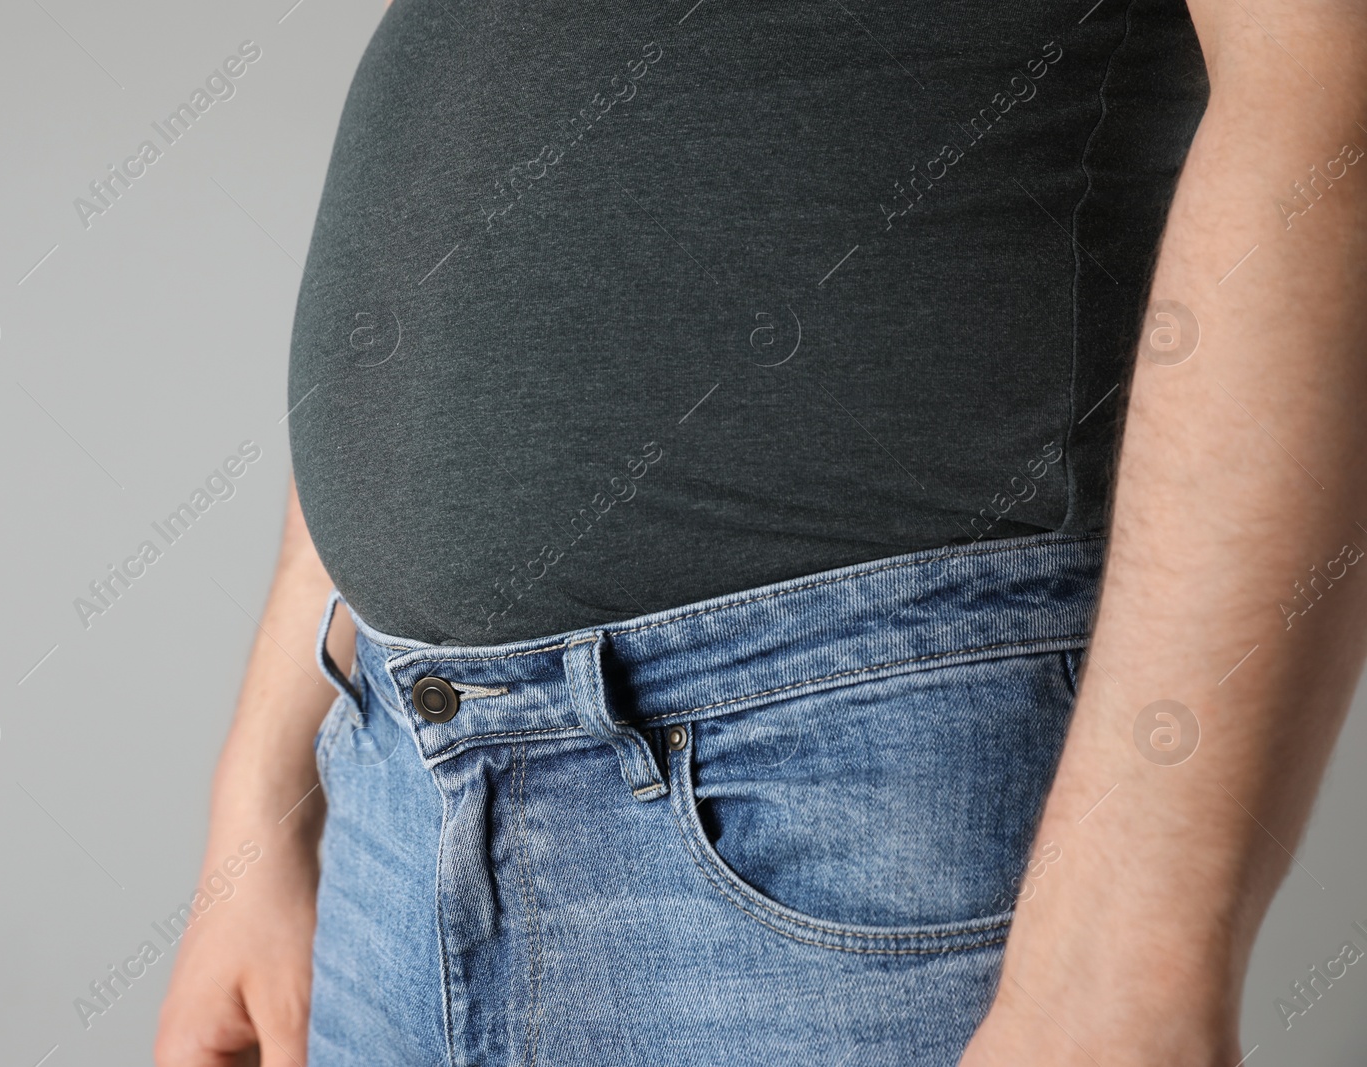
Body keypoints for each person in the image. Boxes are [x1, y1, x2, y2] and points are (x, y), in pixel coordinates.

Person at [155, 0, 1367, 1062]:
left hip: (831, 782)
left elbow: (1323, 92)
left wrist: (1126, 971)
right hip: (397, 781)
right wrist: (261, 794)